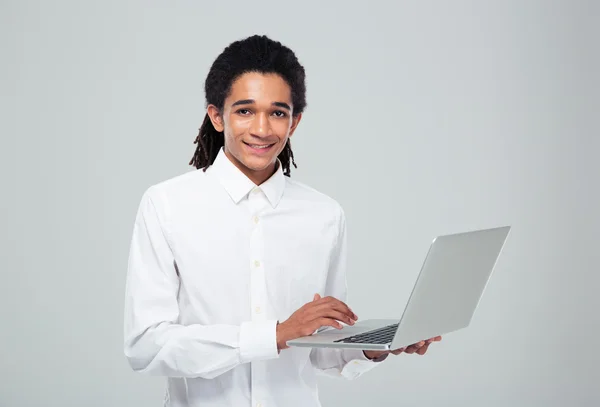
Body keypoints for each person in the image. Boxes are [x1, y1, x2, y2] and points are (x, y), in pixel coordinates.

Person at [123, 34, 441, 407]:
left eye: (277, 112)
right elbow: (146, 345)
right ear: (216, 116)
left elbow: (319, 350)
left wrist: (376, 347)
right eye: (244, 110)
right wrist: (274, 334)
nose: (262, 129)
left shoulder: (324, 214)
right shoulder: (167, 205)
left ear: (295, 122)